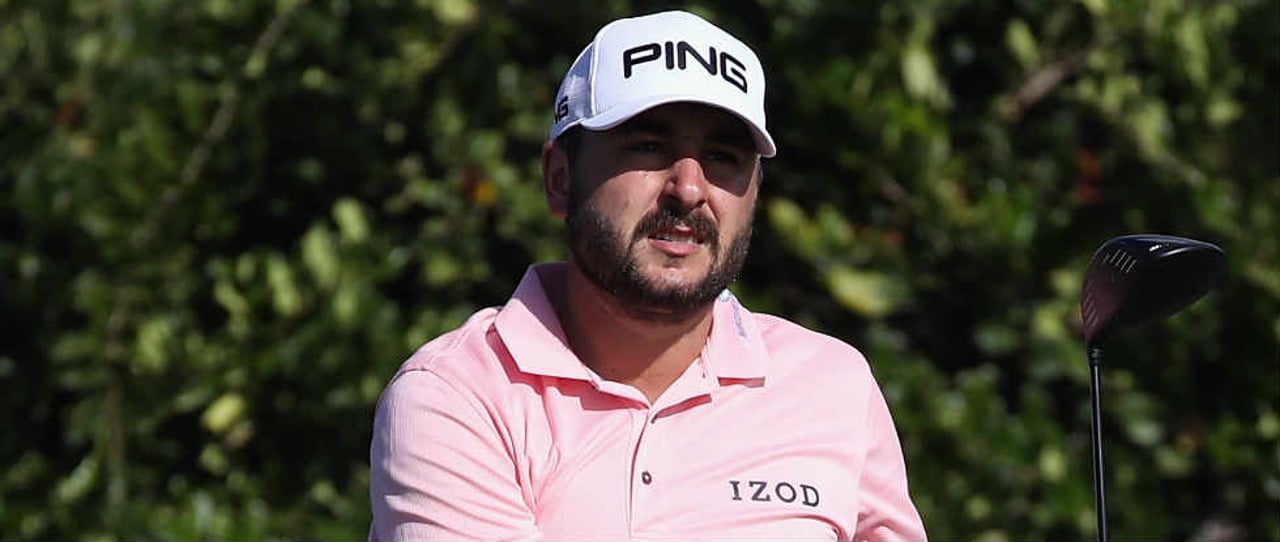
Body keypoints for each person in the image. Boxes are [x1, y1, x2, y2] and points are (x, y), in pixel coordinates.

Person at [369, 10, 927, 541]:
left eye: (723, 156)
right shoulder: (455, 396)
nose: (688, 187)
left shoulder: (834, 385)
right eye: (649, 147)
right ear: (559, 178)